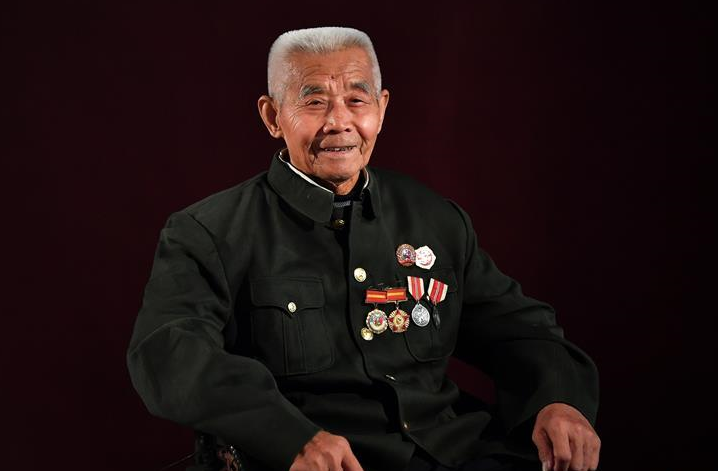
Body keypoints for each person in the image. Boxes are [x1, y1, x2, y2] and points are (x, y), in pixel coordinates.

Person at [127, 27, 601, 471]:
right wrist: (290, 438)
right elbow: (169, 354)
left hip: (449, 449)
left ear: (382, 108)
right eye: (314, 101)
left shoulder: (434, 218)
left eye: (356, 100)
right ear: (273, 117)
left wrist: (557, 399)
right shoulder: (208, 232)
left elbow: (520, 329)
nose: (340, 122)